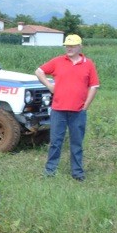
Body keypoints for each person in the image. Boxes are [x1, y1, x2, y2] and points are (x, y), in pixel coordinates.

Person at [35, 34, 100, 181]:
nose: (69, 48)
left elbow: (94, 86)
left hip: (78, 111)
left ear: (80, 47)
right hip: (58, 110)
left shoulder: (88, 64)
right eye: (67, 46)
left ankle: (77, 173)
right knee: (55, 142)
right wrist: (49, 85)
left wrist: (86, 106)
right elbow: (39, 71)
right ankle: (50, 170)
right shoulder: (58, 61)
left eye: (72, 46)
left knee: (76, 143)